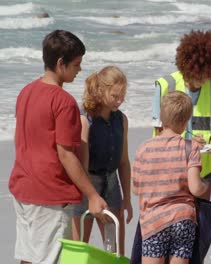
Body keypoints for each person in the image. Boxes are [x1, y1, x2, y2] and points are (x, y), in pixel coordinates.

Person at [8, 30, 108, 264]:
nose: (79, 70)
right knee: (48, 259)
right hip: (49, 195)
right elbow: (66, 154)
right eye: (76, 64)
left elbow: (20, 138)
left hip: (22, 188)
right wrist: (92, 195)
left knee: (28, 257)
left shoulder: (25, 92)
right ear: (60, 63)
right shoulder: (64, 102)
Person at [151, 30, 211, 201]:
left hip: (203, 171)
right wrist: (189, 145)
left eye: (208, 74)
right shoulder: (165, 85)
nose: (204, 79)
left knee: (203, 226)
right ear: (187, 66)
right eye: (200, 75)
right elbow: (159, 136)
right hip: (169, 172)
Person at [133, 91, 208, 264]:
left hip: (153, 220)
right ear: (186, 121)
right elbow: (196, 188)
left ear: (161, 116)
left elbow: (136, 189)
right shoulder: (191, 148)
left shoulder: (144, 148)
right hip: (183, 219)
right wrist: (204, 183)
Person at [71, 66, 133, 255]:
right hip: (86, 185)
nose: (119, 101)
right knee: (80, 250)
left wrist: (127, 199)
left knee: (114, 252)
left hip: (112, 185)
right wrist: (91, 196)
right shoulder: (85, 120)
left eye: (122, 96)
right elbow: (82, 165)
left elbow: (123, 162)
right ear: (100, 91)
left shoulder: (121, 119)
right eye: (115, 96)